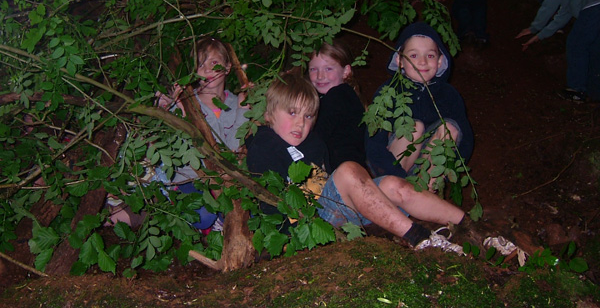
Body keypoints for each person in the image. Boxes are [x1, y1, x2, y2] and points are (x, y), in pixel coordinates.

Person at [246, 72, 468, 253]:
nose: (300, 123)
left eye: (308, 116)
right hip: (306, 223)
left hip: (333, 208)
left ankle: (468, 224)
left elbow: (330, 182)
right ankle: (419, 238)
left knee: (393, 184)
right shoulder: (264, 145)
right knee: (348, 171)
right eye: (292, 112)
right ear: (269, 114)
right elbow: (268, 206)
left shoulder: (314, 143)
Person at [365, 22, 474, 190]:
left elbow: (466, 137)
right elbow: (373, 141)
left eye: (430, 56)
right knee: (414, 127)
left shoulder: (449, 94)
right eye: (414, 56)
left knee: (450, 129)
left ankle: (426, 192)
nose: (422, 62)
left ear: (439, 61)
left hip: (425, 168)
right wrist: (393, 174)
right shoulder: (388, 92)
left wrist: (453, 167)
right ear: (400, 60)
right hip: (391, 167)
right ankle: (399, 189)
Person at [156, 37, 249, 230]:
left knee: (250, 208)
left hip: (226, 178)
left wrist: (243, 110)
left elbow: (232, 151)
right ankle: (207, 221)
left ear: (228, 67)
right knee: (203, 215)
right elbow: (182, 153)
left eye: (214, 63)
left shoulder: (236, 104)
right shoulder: (186, 102)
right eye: (200, 64)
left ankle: (220, 223)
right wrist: (179, 115)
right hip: (191, 178)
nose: (207, 70)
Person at [515, 0, 600, 103]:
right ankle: (594, 92)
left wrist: (534, 27)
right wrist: (538, 36)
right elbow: (561, 17)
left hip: (595, 3)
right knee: (593, 50)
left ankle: (577, 90)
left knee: (575, 43)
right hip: (593, 8)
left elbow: (550, 6)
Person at [308, 41, 367, 170]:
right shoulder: (345, 95)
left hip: (341, 172)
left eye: (328, 69)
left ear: (346, 71)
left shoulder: (338, 95)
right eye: (313, 69)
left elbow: (315, 136)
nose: (320, 76)